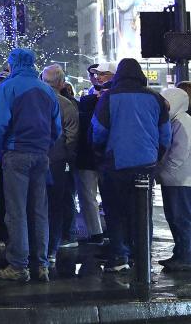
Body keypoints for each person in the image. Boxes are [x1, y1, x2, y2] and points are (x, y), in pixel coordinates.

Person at [0, 48, 61, 283]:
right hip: (41, 154)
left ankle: (18, 265)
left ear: (13, 64)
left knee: (16, 211)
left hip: (16, 152)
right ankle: (41, 264)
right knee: (39, 210)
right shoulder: (46, 89)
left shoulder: (8, 87)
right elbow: (56, 128)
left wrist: (4, 147)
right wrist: (44, 145)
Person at [93, 58, 171, 273]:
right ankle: (142, 255)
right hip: (146, 163)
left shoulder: (110, 97)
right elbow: (165, 134)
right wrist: (156, 157)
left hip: (116, 163)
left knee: (115, 210)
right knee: (142, 211)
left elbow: (98, 131)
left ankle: (119, 255)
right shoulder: (155, 98)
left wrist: (100, 152)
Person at [41, 64, 78, 266]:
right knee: (56, 205)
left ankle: (37, 248)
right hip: (57, 160)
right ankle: (51, 249)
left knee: (37, 204)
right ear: (62, 83)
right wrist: (66, 155)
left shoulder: (34, 101)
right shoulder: (66, 105)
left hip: (36, 157)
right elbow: (72, 136)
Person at [74, 66, 108, 244]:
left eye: (102, 74)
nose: (97, 77)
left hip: (98, 156)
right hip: (92, 155)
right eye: (96, 74)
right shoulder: (87, 100)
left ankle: (102, 232)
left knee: (95, 196)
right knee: (89, 196)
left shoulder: (91, 101)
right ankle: (97, 233)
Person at [159, 87, 191, 271]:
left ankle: (186, 256)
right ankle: (181, 253)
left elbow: (180, 151)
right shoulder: (176, 121)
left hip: (180, 180)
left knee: (181, 218)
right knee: (175, 217)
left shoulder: (182, 122)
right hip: (176, 179)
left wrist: (166, 171)